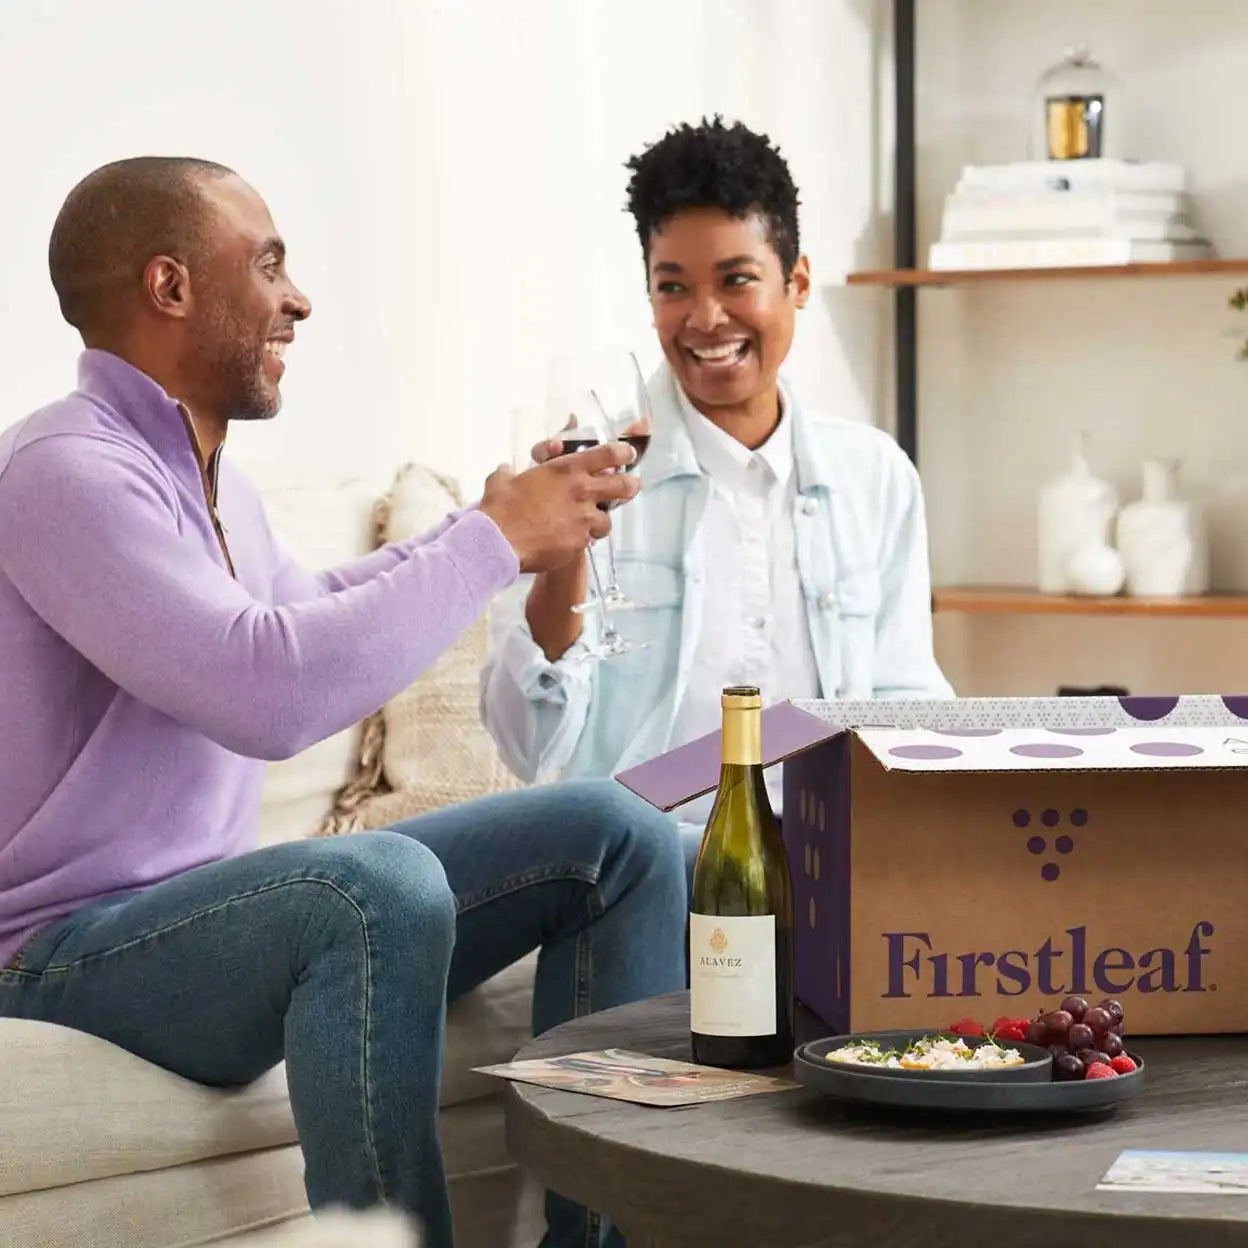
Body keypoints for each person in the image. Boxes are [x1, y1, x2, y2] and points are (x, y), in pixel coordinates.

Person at [0, 156, 687, 1248]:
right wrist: (489, 539)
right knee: (374, 883)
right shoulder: (63, 470)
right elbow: (267, 688)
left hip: (225, 913)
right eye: (267, 264)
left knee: (621, 833)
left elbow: (305, 609)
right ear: (169, 286)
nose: (299, 298)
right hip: (65, 953)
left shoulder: (208, 476)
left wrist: (499, 535)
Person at [481, 118, 952, 873]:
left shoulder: (876, 477)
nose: (704, 319)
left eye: (736, 280)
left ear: (796, 282)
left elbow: (906, 705)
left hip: (828, 866)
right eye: (673, 287)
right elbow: (530, 748)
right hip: (639, 874)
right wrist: (568, 549)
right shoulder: (586, 474)